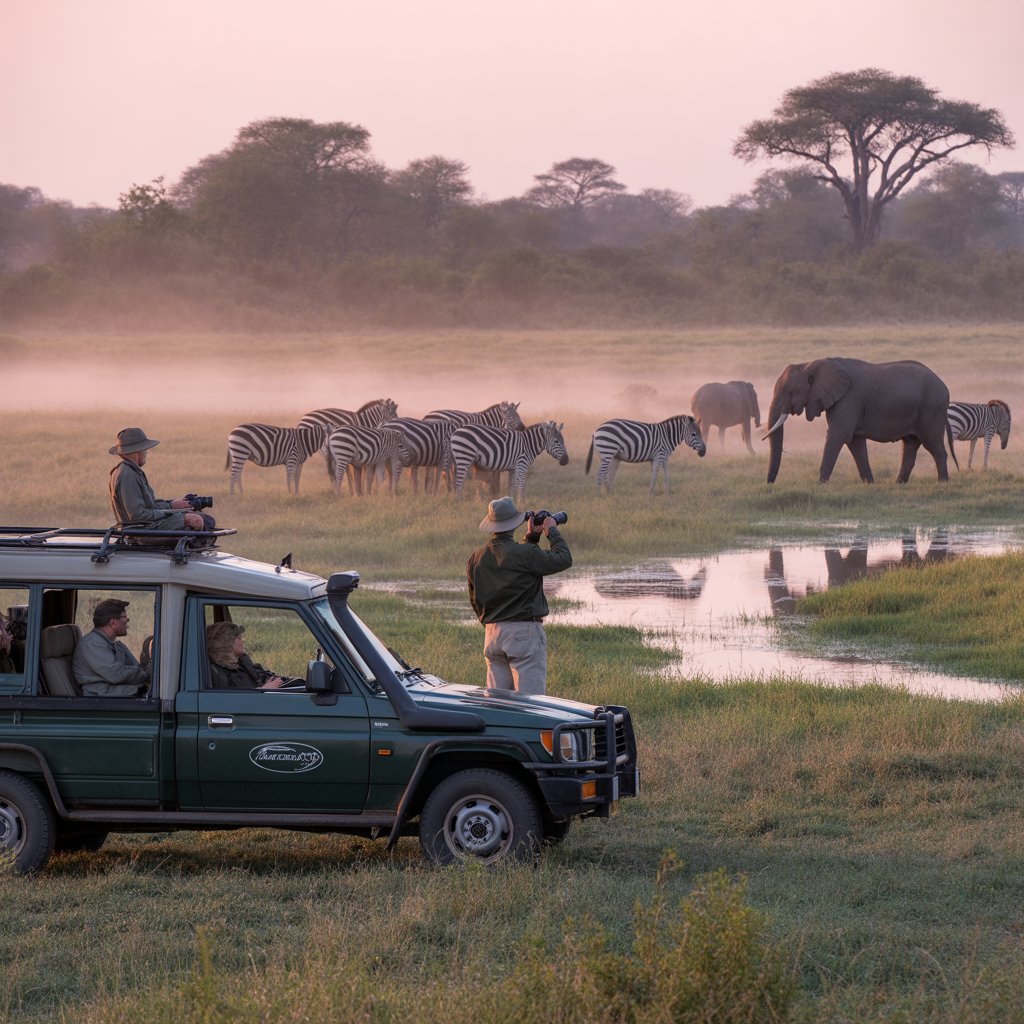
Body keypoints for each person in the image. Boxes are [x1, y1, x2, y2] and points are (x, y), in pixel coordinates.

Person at [467, 496, 572, 695]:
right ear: (514, 524)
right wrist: (552, 530)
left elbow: (475, 599)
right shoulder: (524, 554)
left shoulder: (476, 558)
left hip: (492, 634)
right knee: (530, 705)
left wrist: (531, 538)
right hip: (524, 633)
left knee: (497, 705)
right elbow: (563, 559)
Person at [108, 427, 212, 533]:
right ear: (137, 452)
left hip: (145, 526)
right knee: (196, 521)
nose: (146, 453)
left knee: (207, 520)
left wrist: (171, 505)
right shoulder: (127, 475)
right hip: (142, 530)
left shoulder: (129, 470)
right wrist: (168, 513)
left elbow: (149, 506)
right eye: (145, 449)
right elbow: (137, 515)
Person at [72, 599, 150, 697]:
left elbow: (139, 668)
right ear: (113, 622)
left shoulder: (117, 646)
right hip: (102, 701)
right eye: (125, 617)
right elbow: (117, 674)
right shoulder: (91, 644)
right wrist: (145, 674)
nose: (127, 620)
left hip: (117, 695)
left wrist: (145, 673)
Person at [206, 621, 294, 689]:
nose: (243, 641)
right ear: (226, 643)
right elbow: (235, 703)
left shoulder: (241, 664)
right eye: (239, 638)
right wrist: (264, 690)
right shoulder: (221, 674)